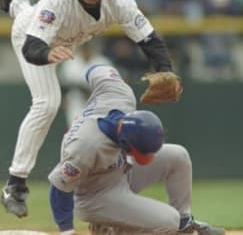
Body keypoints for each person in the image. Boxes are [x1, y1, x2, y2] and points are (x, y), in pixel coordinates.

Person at [0, 0, 181, 218]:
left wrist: (165, 70)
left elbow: (148, 39)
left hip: (63, 40)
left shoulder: (119, 1)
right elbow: (31, 47)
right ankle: (15, 185)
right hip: (33, 41)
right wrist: (47, 54)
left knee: (28, 11)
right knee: (47, 103)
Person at [48, 64, 224, 235]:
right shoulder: (86, 146)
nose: (146, 157)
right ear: (125, 142)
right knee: (170, 221)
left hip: (120, 170)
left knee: (178, 155)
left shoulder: (121, 96)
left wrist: (163, 69)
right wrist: (67, 231)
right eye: (140, 152)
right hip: (95, 197)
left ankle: (184, 223)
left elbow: (97, 69)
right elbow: (59, 187)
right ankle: (113, 229)